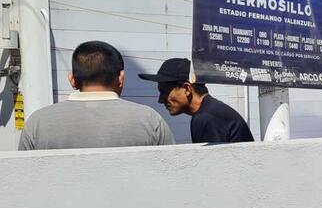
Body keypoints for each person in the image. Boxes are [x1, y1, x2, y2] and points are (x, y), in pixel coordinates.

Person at [18, 41, 175, 151]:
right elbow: (173, 173)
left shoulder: (38, 122)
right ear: (121, 78)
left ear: (72, 79)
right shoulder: (149, 120)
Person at [139, 58, 255, 144]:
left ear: (187, 89)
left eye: (164, 92)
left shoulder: (206, 118)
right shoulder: (211, 111)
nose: (160, 100)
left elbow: (214, 172)